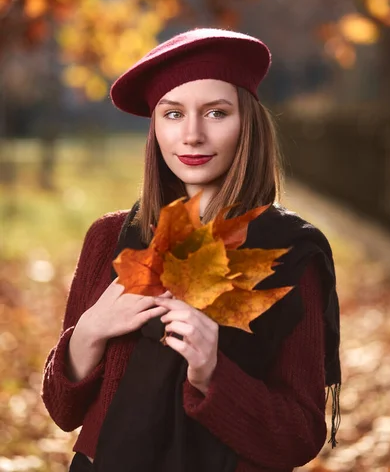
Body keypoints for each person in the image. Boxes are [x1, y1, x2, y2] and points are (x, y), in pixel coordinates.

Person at [41, 28, 341, 472]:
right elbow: (63, 411)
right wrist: (89, 331)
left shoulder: (290, 252)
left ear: (248, 124)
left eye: (216, 113)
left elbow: (299, 436)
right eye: (173, 113)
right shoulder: (109, 238)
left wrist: (211, 373)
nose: (193, 135)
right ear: (155, 127)